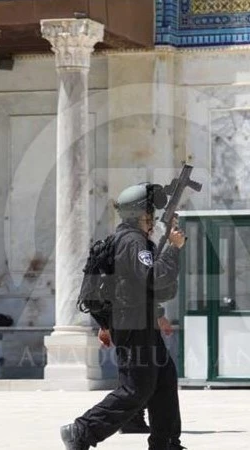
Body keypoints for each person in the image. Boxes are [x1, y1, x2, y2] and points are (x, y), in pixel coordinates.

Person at [61, 183, 186, 450]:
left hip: (140, 322)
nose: (153, 218)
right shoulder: (133, 242)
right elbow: (153, 279)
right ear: (140, 213)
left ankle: (166, 443)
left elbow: (134, 287)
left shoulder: (130, 239)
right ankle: (82, 431)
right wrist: (174, 249)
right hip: (133, 325)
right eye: (150, 212)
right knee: (135, 389)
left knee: (164, 381)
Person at [116, 305, 175, 435]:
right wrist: (158, 314)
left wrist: (104, 324)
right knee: (145, 376)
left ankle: (132, 419)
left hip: (124, 322)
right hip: (138, 324)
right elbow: (137, 291)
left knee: (134, 374)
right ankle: (84, 427)